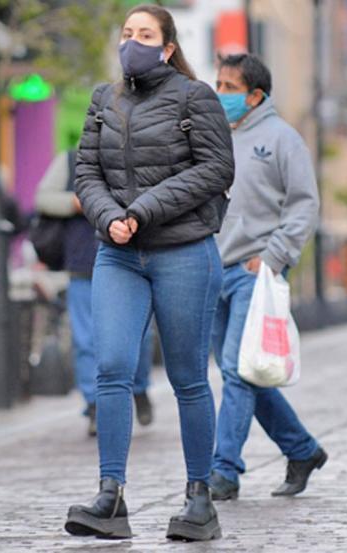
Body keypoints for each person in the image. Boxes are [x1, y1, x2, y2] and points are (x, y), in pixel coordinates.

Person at [64, 4, 234, 542]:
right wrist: (111, 215)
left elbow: (216, 168)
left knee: (187, 377)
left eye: (145, 34)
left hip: (183, 250)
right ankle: (110, 496)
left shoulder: (194, 97)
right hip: (117, 254)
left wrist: (144, 209)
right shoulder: (103, 99)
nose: (132, 42)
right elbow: (86, 170)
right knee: (111, 366)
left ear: (166, 47)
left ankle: (199, 499)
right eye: (126, 33)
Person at [207, 53, 326, 502]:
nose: (221, 94)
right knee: (245, 373)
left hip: (254, 274)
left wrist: (274, 256)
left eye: (230, 88)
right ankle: (302, 450)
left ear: (256, 95)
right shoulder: (214, 136)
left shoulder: (282, 139)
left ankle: (223, 473)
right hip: (212, 271)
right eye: (218, 84)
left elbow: (303, 204)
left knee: (238, 373)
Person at [34, 150, 155, 437]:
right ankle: (94, 405)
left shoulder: (139, 150)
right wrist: (75, 202)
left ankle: (138, 388)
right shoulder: (70, 160)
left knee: (140, 335)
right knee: (86, 339)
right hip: (83, 264)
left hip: (132, 262)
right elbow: (43, 198)